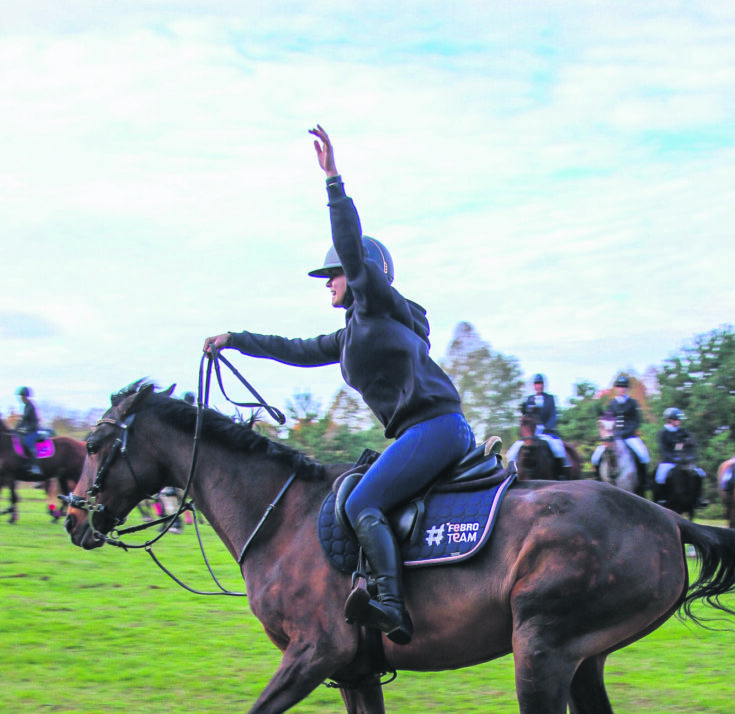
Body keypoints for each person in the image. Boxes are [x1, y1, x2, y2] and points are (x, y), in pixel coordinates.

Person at [204, 125, 474, 645]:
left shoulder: (375, 303)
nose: (328, 281)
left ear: (361, 274)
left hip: (436, 428)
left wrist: (332, 180)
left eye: (333, 274)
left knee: (359, 504)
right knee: (357, 494)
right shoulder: (352, 333)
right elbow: (297, 349)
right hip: (420, 434)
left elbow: (351, 248)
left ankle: (392, 605)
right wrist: (236, 339)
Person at [591, 375, 649, 476]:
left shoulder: (633, 403)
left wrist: (625, 433)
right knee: (596, 457)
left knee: (643, 455)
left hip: (629, 437)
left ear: (627, 389)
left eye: (623, 387)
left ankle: (644, 482)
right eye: (619, 387)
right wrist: (611, 435)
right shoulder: (612, 403)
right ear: (616, 388)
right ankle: (599, 480)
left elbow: (636, 421)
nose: (621, 389)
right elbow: (607, 421)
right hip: (613, 438)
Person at [652, 408, 708, 507]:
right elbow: (664, 450)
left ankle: (698, 499)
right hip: (668, 461)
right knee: (660, 477)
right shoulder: (663, 433)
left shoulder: (683, 432)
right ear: (670, 420)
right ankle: (661, 499)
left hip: (684, 461)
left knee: (699, 474)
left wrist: (688, 457)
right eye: (678, 419)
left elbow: (692, 444)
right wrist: (674, 459)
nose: (680, 421)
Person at [520, 374, 570, 477]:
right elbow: (525, 416)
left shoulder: (550, 398)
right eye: (536, 384)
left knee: (558, 449)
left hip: (546, 431)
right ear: (534, 386)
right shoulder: (529, 399)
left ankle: (561, 474)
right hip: (531, 432)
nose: (538, 386)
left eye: (540, 383)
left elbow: (553, 414)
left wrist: (548, 427)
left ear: (543, 385)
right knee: (512, 452)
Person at [16, 386, 41, 471]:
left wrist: (24, 428)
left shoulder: (30, 406)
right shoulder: (26, 406)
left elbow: (27, 420)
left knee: (29, 443)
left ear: (25, 396)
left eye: (22, 396)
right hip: (27, 430)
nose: (21, 398)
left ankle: (35, 466)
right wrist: (16, 428)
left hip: (32, 430)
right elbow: (23, 421)